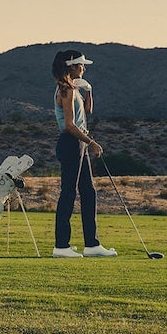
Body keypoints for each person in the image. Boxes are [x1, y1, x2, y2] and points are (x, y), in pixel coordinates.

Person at [50, 50, 116, 257]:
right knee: (68, 193)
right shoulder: (66, 91)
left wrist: (88, 91)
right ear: (72, 66)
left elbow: (87, 112)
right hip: (71, 143)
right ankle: (61, 246)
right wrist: (92, 142)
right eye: (81, 65)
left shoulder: (74, 89)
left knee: (88, 191)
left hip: (78, 143)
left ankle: (92, 245)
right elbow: (70, 125)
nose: (84, 68)